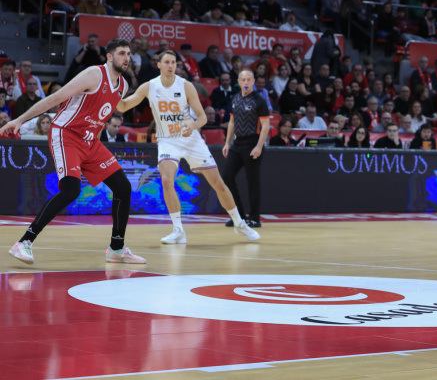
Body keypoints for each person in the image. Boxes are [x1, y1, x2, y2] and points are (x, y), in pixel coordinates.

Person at [3, 39, 145, 265]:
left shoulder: (123, 86)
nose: (126, 58)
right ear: (109, 56)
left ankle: (116, 248)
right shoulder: (93, 74)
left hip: (90, 141)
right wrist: (20, 119)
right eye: (121, 53)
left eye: (128, 54)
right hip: (66, 134)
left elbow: (100, 118)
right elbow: (54, 99)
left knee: (123, 187)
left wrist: (94, 148)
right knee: (71, 190)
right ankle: (24, 242)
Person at [117, 51, 260, 244]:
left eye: (173, 62)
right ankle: (178, 230)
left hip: (191, 139)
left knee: (217, 183)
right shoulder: (149, 87)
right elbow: (124, 106)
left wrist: (192, 125)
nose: (170, 65)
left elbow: (202, 117)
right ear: (158, 65)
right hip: (168, 140)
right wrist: (113, 94)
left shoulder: (186, 86)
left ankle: (239, 223)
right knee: (167, 180)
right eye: (166, 62)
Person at [222, 69, 270, 228]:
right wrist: (227, 143)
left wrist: (259, 146)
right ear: (239, 81)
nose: (246, 82)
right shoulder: (235, 98)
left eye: (249, 79)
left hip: (253, 143)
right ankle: (239, 215)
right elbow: (232, 122)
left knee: (252, 182)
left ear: (253, 81)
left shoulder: (259, 100)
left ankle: (255, 217)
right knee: (227, 176)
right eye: (243, 80)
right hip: (238, 143)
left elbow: (265, 126)